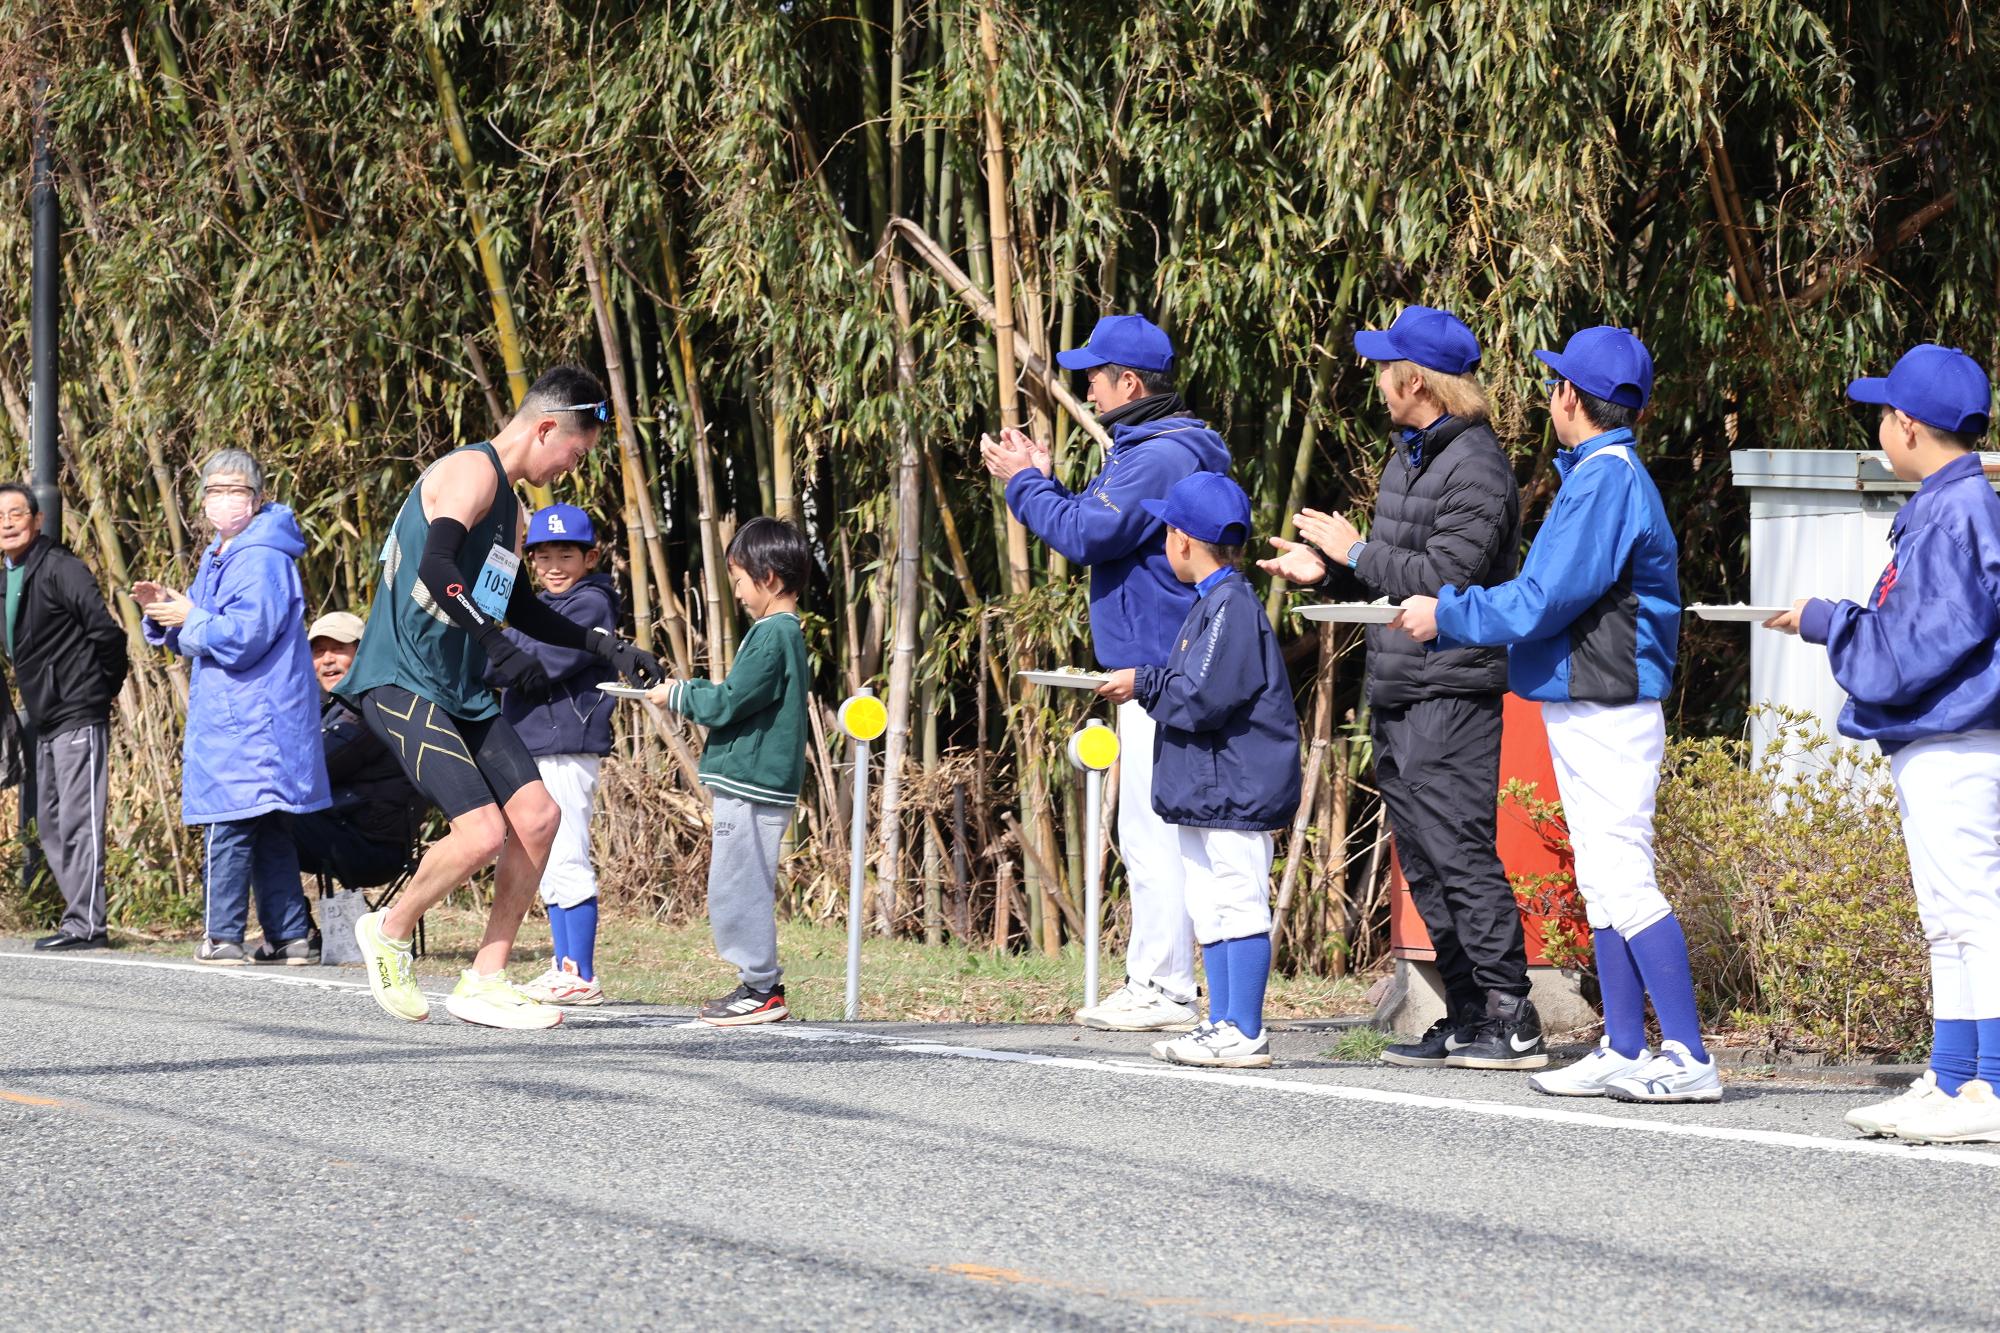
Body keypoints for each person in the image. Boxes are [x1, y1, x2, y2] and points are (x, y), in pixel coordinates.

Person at [1394, 326, 1721, 1103]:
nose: (1550, 395)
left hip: (1610, 705)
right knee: (1606, 883)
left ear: (1569, 396)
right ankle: (1627, 1045)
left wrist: (1448, 613)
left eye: (1553, 384)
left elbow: (1543, 599)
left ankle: (1688, 1054)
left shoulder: (1607, 479)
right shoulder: (1603, 474)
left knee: (1626, 880)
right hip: (1590, 700)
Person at [337, 366, 663, 1030]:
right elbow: (438, 564)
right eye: (574, 452)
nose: (571, 466)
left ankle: (484, 977)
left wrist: (605, 646)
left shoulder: (513, 509)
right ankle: (389, 929)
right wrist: (492, 641)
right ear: (546, 427)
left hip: (460, 692)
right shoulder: (470, 472)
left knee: (539, 818)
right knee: (483, 832)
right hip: (401, 678)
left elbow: (517, 604)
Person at [1259, 305, 1540, 1069]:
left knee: (1459, 850)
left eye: (1386, 368)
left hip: (1452, 683)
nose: (1378, 381)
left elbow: (1445, 580)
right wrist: (1334, 566)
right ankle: (1468, 1011)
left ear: (1414, 380)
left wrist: (1358, 547)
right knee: (1422, 856)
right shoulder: (1412, 454)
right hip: (1400, 680)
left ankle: (1514, 1015)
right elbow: (1395, 568)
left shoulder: (1476, 467)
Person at [1767, 344, 2000, 1144]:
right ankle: (1955, 1074)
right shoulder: (1952, 502)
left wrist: (1831, 620)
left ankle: (1990, 1085)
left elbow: (1922, 640)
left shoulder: (1956, 509)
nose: (1879, 427)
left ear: (1906, 423)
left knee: (1972, 905)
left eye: (1882, 413)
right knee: (1948, 912)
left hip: (1957, 735)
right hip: (1943, 735)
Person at [980, 313, 1231, 1033]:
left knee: (1154, 832)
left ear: (1129, 382)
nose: (1085, 386)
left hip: (1161, 668)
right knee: (1150, 829)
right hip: (1157, 665)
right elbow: (1095, 516)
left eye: (1094, 373)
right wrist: (1048, 481)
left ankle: (1164, 985)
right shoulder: (1154, 445)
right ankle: (1161, 979)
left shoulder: (1156, 454)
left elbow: (1088, 533)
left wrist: (1025, 484)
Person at [1098, 473, 1301, 1068]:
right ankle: (1221, 1022)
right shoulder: (1214, 603)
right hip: (1208, 787)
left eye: (1167, 531)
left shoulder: (1231, 605)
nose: (1165, 541)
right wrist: (1151, 681)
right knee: (1208, 902)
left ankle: (1248, 1028)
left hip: (1234, 787)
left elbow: (1203, 695)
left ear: (1182, 541)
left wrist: (1143, 682)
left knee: (1238, 900)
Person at [137, 450, 330, 966]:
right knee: (265, 826)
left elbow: (244, 637)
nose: (225, 500)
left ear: (258, 496)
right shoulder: (223, 552)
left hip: (251, 719)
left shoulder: (260, 556)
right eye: (214, 490)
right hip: (245, 715)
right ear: (201, 500)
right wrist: (165, 612)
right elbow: (199, 632)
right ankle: (288, 936)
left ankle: (222, 935)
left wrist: (190, 616)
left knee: (231, 823)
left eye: (236, 490)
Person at [647, 518, 812, 1026]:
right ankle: (756, 984)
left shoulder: (773, 635)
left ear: (768, 576)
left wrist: (676, 693)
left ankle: (761, 988)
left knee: (738, 884)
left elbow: (730, 702)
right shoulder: (781, 633)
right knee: (740, 881)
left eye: (738, 578)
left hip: (753, 784)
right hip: (758, 783)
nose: (736, 591)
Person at [486, 503, 618, 1009]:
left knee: (566, 854)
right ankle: (564, 966)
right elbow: (510, 655)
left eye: (568, 553)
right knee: (540, 858)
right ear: (530, 560)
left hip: (567, 745)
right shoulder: (537, 605)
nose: (555, 565)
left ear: (591, 556)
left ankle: (581, 972)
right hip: (534, 742)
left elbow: (537, 665)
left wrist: (488, 658)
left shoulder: (591, 605)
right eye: (543, 555)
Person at [0, 482, 130, 952]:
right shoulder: (6, 579)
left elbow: (109, 636)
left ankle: (88, 925)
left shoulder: (60, 568)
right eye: (0, 517)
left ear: (36, 520)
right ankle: (78, 917)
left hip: (78, 710)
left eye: (17, 513)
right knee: (51, 823)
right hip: (45, 718)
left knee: (79, 820)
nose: (8, 523)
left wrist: (98, 692)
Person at [290, 611, 425, 899]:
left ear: (362, 654)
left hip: (373, 846)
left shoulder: (370, 705)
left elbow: (314, 769)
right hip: (342, 829)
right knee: (257, 820)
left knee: (262, 820)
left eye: (339, 649)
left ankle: (292, 933)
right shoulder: (327, 706)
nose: (327, 659)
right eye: (319, 651)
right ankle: (292, 933)